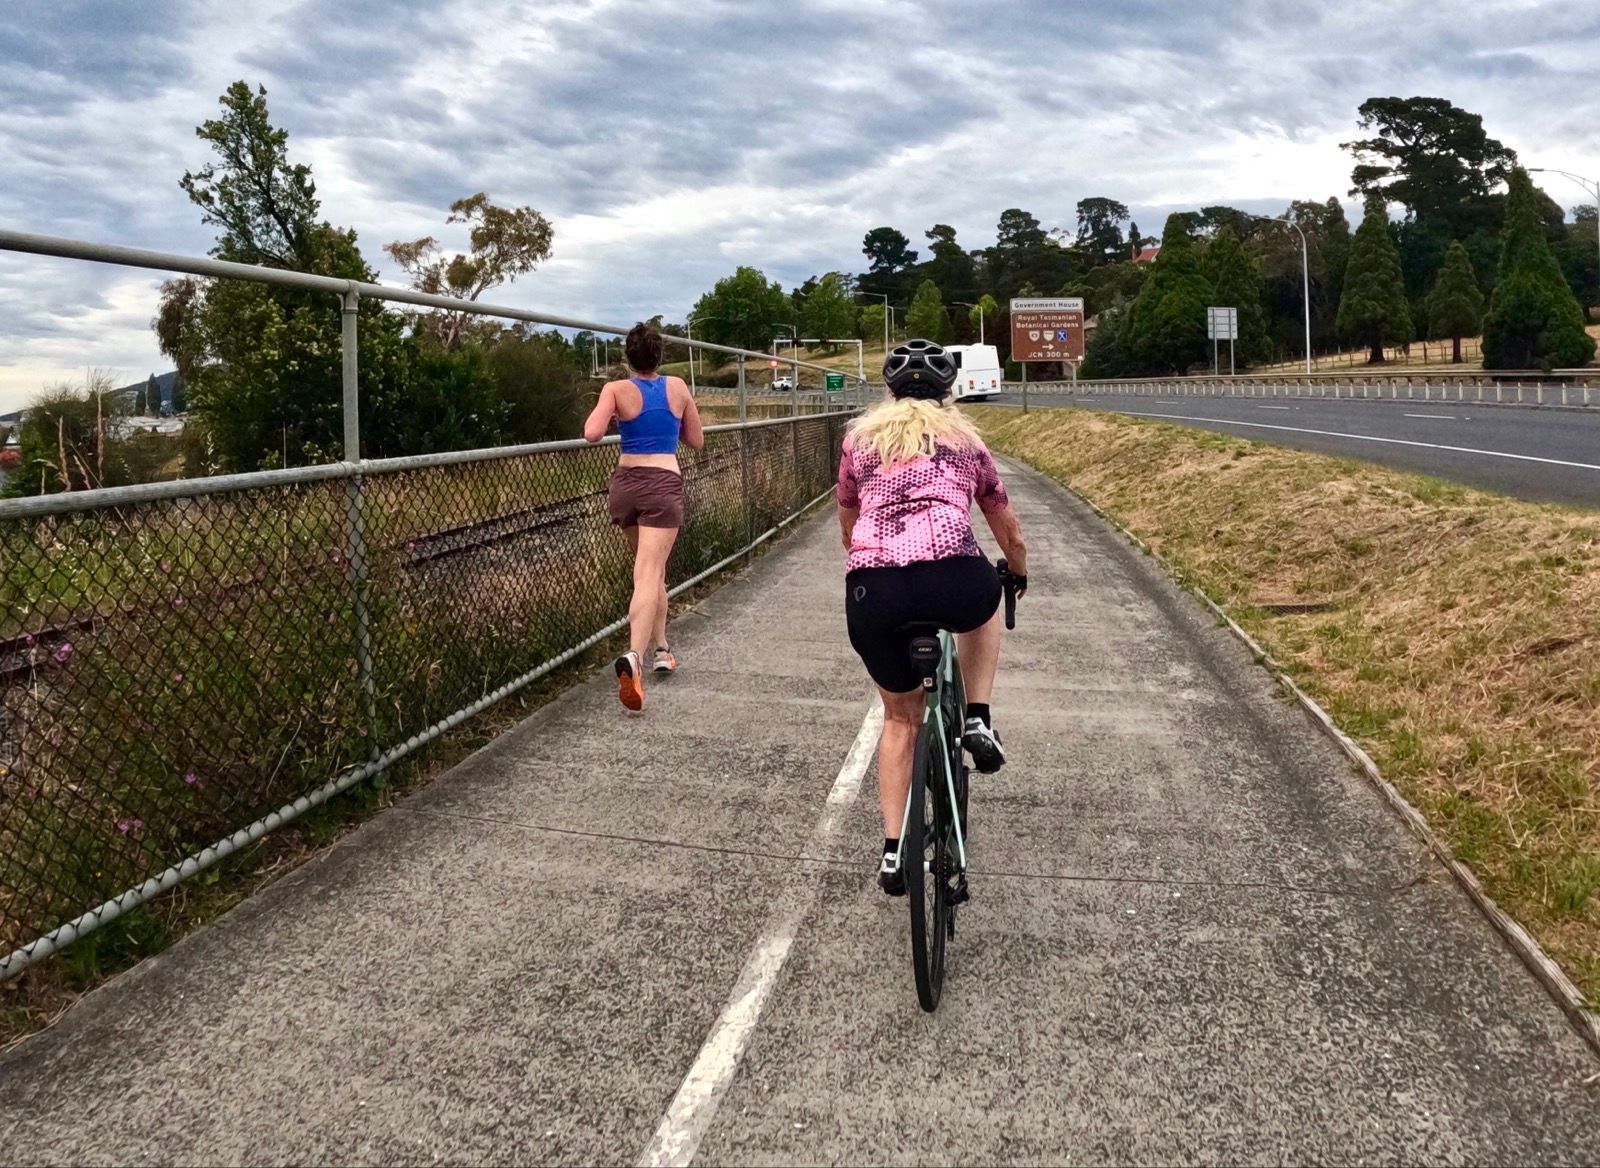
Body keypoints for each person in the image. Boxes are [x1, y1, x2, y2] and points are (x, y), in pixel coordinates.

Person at [836, 339, 1029, 896]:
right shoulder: (966, 440)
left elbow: (848, 526)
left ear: (889, 390)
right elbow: (1008, 531)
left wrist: (869, 564)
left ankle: (894, 853)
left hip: (876, 586)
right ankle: (977, 717)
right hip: (952, 573)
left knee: (900, 721)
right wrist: (1016, 572)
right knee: (986, 598)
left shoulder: (859, 441)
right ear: (949, 390)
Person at [583, 322, 705, 710]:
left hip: (626, 484)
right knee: (648, 574)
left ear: (627, 357)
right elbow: (697, 441)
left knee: (651, 572)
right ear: (660, 355)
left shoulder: (615, 389)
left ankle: (663, 649)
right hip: (662, 483)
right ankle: (635, 655)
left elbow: (591, 433)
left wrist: (619, 415)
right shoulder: (678, 387)